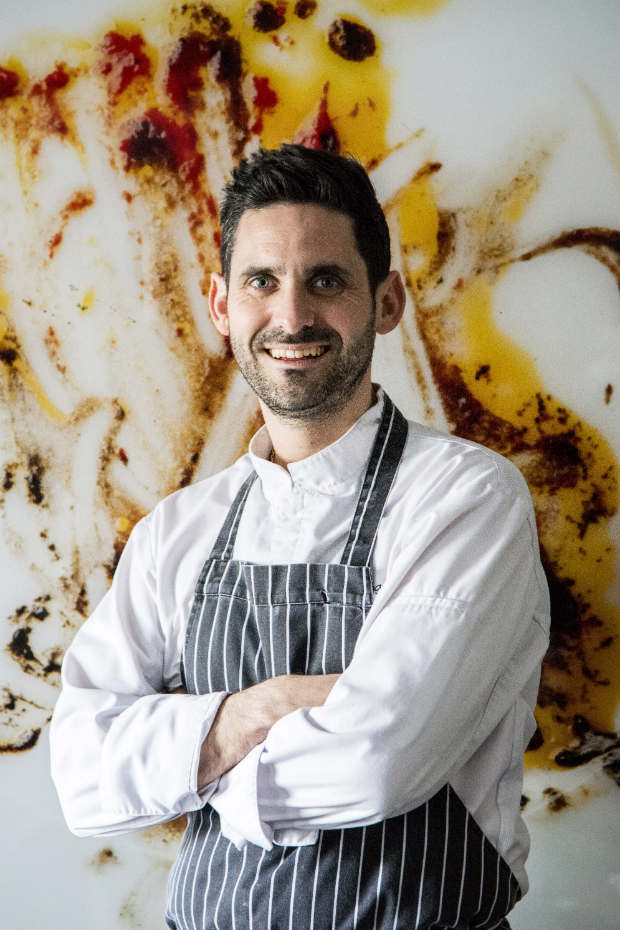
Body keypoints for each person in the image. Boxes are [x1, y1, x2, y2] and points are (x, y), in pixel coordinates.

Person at [50, 144, 550, 930]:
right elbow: (82, 776)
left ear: (387, 301)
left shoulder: (465, 498)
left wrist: (187, 763)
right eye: (261, 281)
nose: (290, 317)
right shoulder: (178, 530)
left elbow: (377, 762)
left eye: (325, 280)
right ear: (222, 305)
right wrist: (262, 710)